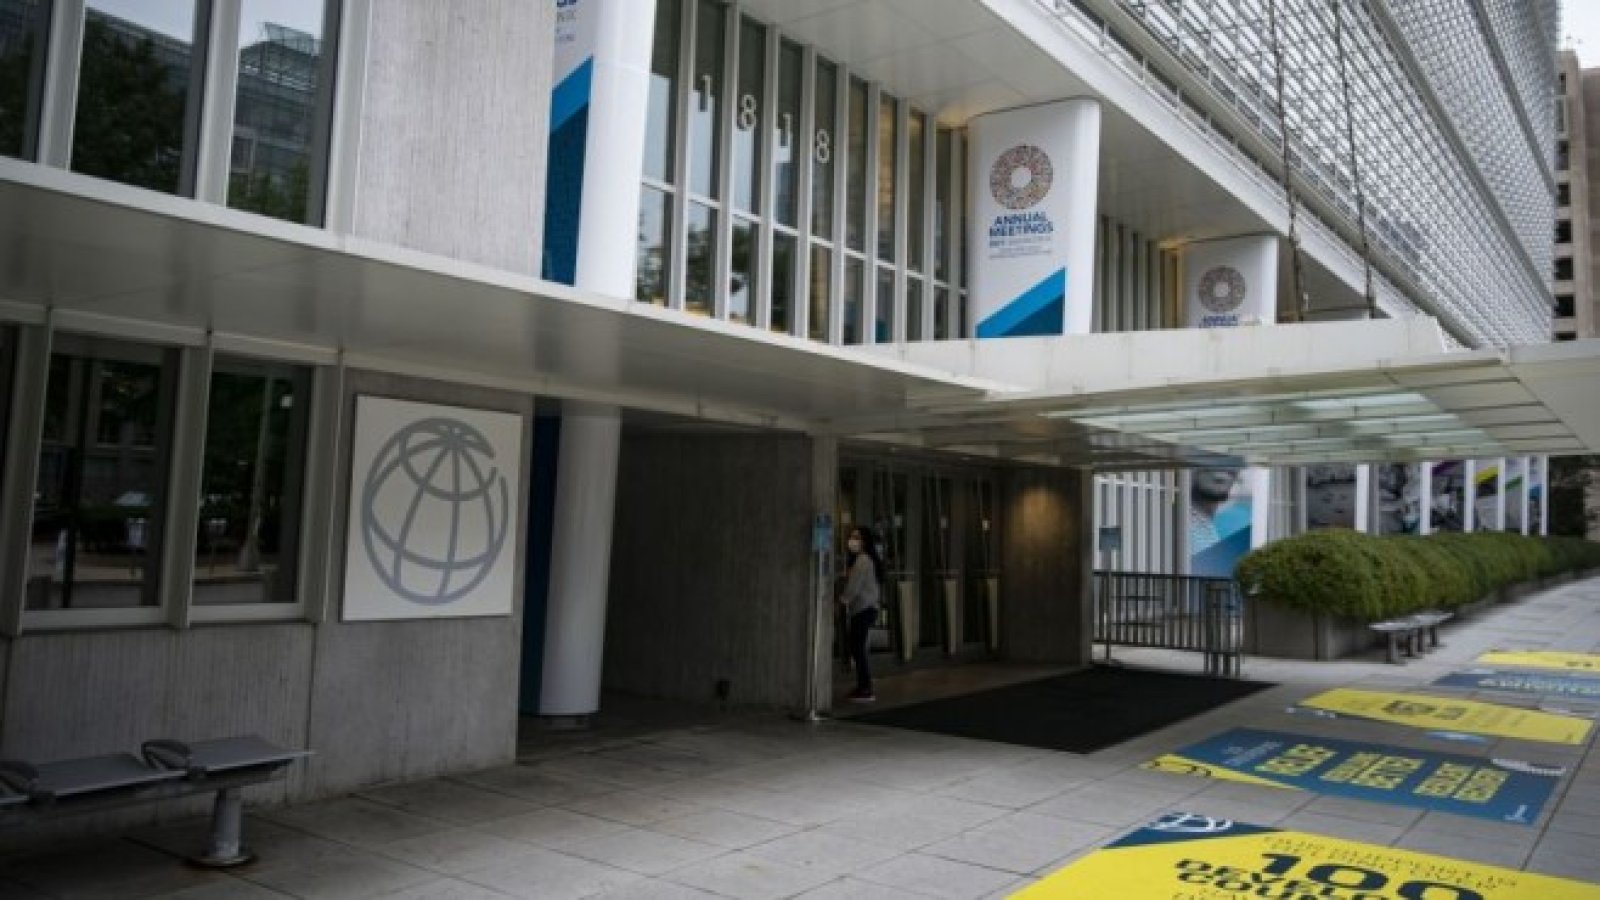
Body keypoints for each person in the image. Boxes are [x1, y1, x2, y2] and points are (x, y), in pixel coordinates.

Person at [837, 525, 884, 703]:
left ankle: (865, 688)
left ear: (865, 541)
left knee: (857, 648)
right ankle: (862, 686)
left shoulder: (863, 560)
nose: (852, 541)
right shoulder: (864, 560)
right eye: (851, 537)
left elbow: (854, 586)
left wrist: (842, 601)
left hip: (863, 609)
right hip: (866, 608)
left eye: (857, 537)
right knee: (857, 648)